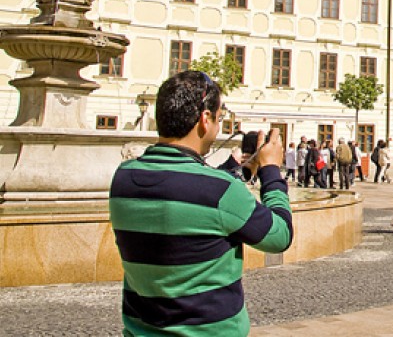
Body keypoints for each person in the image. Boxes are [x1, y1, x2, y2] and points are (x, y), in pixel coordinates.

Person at [109, 71, 293, 335]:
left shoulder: (124, 178)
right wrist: (272, 171)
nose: (218, 127)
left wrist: (244, 169)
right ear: (204, 120)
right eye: (219, 119)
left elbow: (187, 186)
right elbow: (279, 236)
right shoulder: (219, 190)